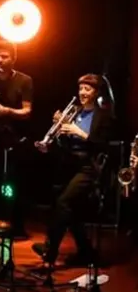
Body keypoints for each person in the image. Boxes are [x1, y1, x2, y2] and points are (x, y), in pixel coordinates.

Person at [33, 74, 114, 267]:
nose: (83, 93)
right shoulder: (76, 112)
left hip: (89, 166)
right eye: (81, 89)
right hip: (70, 164)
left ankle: (50, 251)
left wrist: (79, 132)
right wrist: (57, 131)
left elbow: (102, 144)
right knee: (71, 212)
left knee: (64, 202)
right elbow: (65, 142)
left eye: (87, 89)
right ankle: (87, 252)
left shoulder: (103, 115)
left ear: (96, 92)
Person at [0, 41, 33, 236]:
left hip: (16, 138)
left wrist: (7, 111)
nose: (0, 60)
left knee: (13, 183)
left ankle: (16, 225)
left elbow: (28, 111)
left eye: (4, 56)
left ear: (13, 58)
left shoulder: (25, 80)